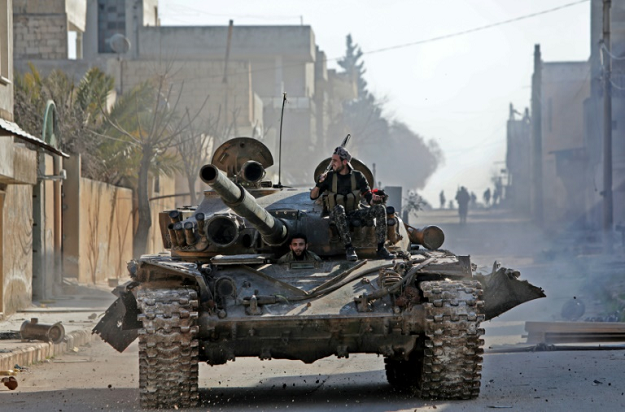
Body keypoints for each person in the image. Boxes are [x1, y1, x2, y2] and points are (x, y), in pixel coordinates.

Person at [310, 146, 396, 261]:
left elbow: (368, 197)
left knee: (380, 209)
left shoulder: (358, 176)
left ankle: (381, 248)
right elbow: (313, 196)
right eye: (332, 160)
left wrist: (374, 200)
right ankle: (349, 248)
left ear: (344, 162)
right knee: (339, 209)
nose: (332, 163)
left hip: (354, 213)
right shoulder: (329, 177)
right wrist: (319, 183)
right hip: (336, 216)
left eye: (335, 161)